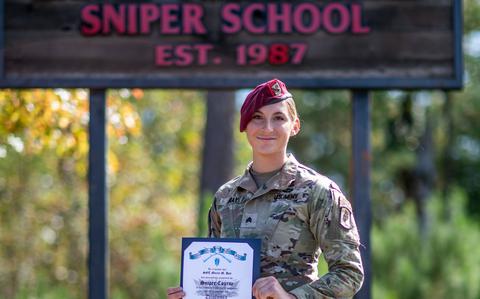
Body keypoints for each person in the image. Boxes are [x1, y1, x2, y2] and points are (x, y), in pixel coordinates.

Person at [167, 79, 364, 299]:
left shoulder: (318, 192)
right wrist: (193, 294)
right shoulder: (225, 197)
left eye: (278, 118)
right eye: (257, 118)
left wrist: (292, 298)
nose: (267, 128)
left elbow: (349, 273)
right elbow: (215, 276)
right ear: (245, 126)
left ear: (295, 125)